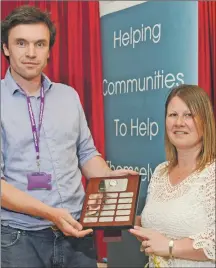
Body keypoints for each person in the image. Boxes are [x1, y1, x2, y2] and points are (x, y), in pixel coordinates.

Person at [1, 5, 137, 268]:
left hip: (77, 233)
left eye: (40, 44)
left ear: (49, 50)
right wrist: (50, 214)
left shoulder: (68, 96)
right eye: (21, 43)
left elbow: (86, 154)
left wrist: (108, 179)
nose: (31, 53)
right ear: (6, 48)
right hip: (19, 239)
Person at [129, 84, 215, 267]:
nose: (179, 123)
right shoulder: (160, 172)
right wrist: (132, 223)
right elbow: (161, 224)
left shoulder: (212, 173)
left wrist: (169, 246)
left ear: (205, 121)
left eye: (189, 115)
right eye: (173, 115)